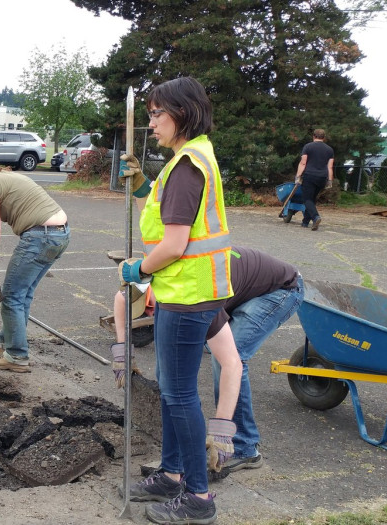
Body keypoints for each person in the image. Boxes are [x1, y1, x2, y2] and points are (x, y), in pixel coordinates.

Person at [118, 76, 235, 525]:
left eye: (156, 114)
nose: (150, 124)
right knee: (171, 390)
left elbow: (175, 242)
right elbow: (172, 211)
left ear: (181, 113)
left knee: (181, 394)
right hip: (181, 291)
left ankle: (199, 499)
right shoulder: (187, 160)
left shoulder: (189, 164)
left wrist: (139, 270)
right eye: (147, 114)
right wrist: (144, 186)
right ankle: (171, 473)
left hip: (188, 294)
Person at [0, 144, 69, 373]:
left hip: (40, 237)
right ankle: (4, 341)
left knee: (11, 297)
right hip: (59, 234)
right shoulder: (4, 177)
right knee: (23, 294)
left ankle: (17, 356)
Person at [204, 247, 304, 480]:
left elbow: (229, 361)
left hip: (282, 291)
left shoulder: (205, 287)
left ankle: (243, 446)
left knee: (230, 357)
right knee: (217, 350)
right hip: (252, 286)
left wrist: (220, 430)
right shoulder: (166, 277)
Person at [294, 129, 333, 231]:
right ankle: (305, 222)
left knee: (307, 199)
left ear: (314, 136)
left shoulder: (308, 147)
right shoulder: (329, 150)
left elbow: (303, 163)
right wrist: (329, 180)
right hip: (322, 177)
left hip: (310, 176)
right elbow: (330, 167)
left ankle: (316, 217)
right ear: (323, 137)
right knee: (312, 199)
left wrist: (298, 176)